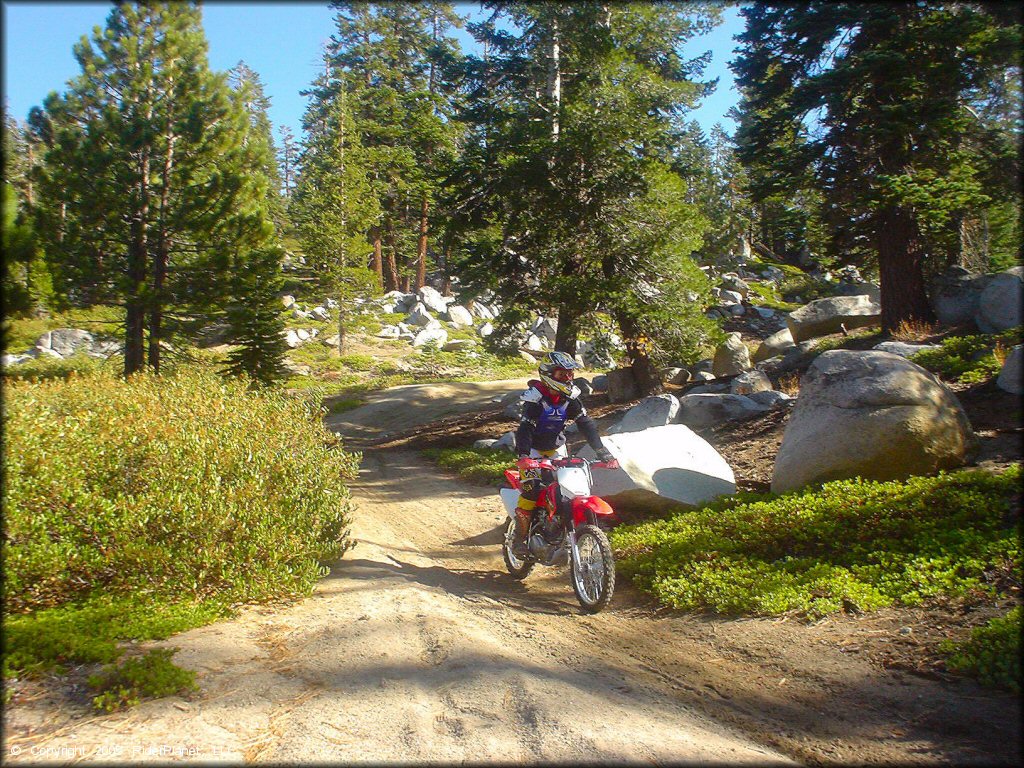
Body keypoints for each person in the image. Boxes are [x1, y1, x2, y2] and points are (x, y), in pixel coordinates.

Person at [511, 350, 618, 556]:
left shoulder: (571, 397)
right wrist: (524, 456)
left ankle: (559, 528)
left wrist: (602, 451)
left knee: (567, 489)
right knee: (532, 490)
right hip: (532, 450)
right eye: (562, 375)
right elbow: (525, 428)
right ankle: (520, 539)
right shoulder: (535, 398)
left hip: (556, 448)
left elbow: (585, 424)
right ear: (548, 375)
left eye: (570, 374)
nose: (568, 378)